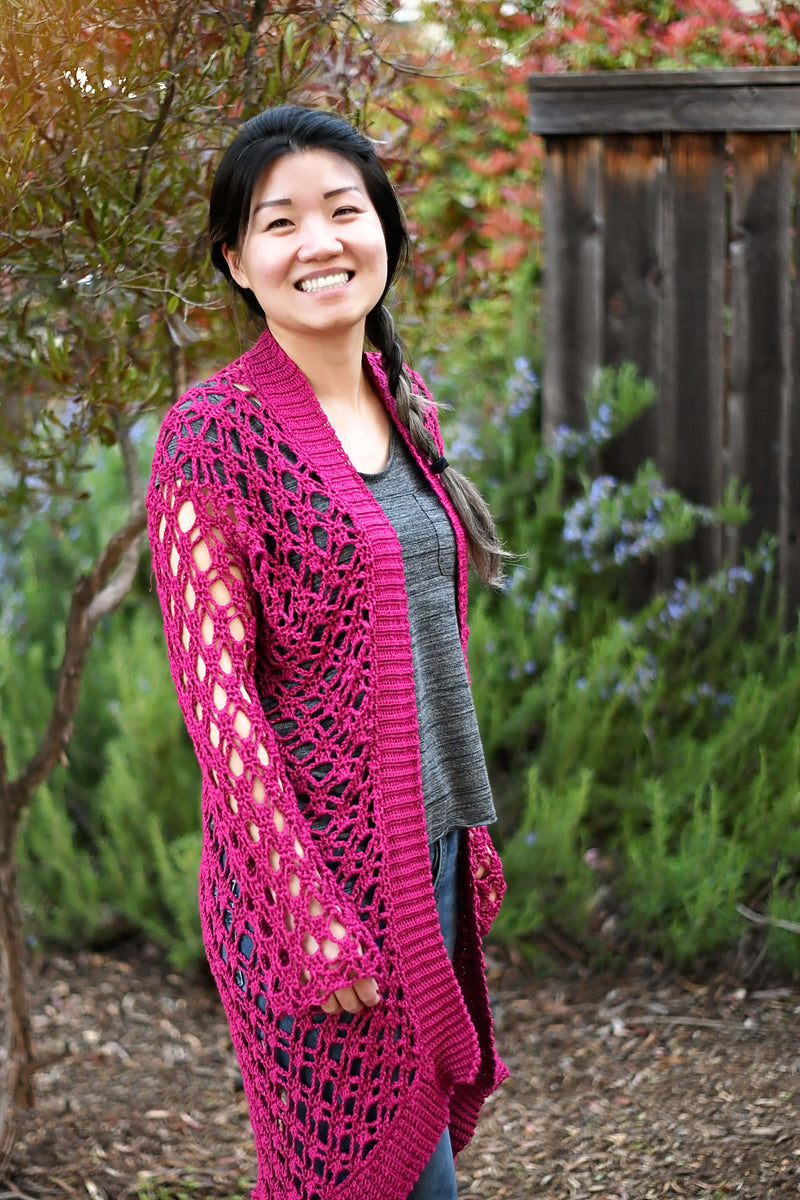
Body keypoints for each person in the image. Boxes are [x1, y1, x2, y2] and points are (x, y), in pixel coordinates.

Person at [146, 105, 508, 1200]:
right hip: (311, 891)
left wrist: (466, 835)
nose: (320, 243)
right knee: (361, 1179)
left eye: (344, 210)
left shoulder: (404, 399)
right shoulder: (213, 434)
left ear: (383, 230)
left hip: (425, 854)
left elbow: (420, 639)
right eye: (280, 222)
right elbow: (219, 706)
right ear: (235, 258)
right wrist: (307, 916)